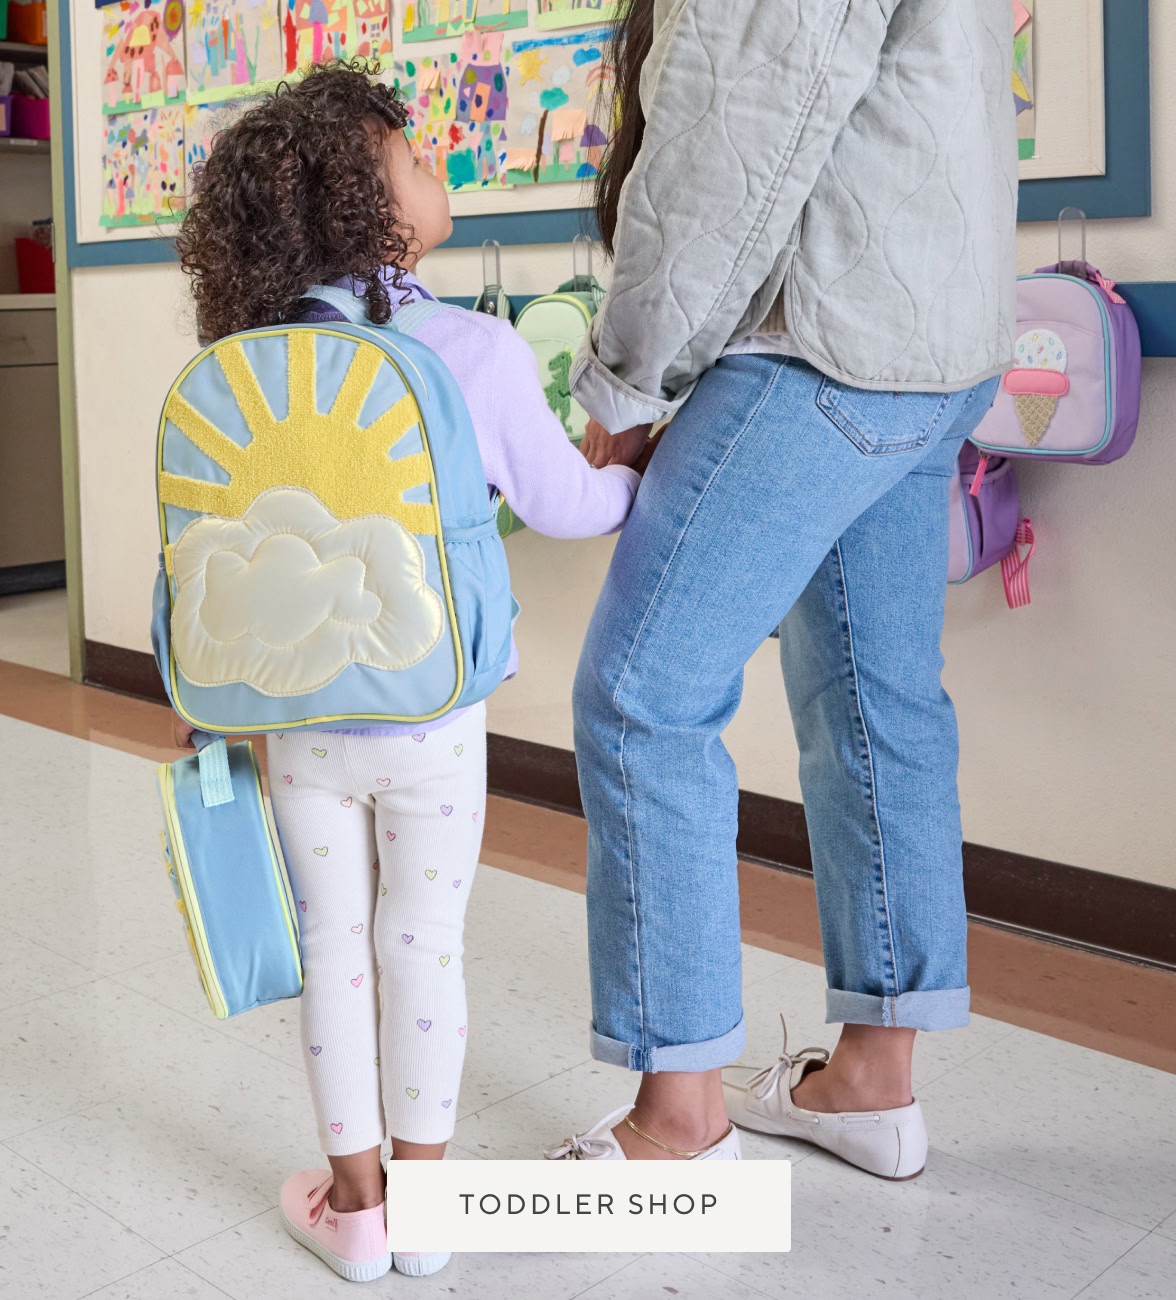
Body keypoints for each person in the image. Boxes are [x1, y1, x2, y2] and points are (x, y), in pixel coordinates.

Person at [174, 63, 639, 1281]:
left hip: (297, 716)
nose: (437, 164)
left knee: (333, 940)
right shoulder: (473, 348)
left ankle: (356, 1209)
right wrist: (635, 471)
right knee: (422, 942)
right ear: (365, 206)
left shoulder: (256, 353)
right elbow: (570, 505)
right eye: (414, 157)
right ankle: (427, 1215)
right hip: (432, 712)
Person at [547, 0, 1017, 1177]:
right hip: (934, 344)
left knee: (643, 700)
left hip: (817, 349)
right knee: (876, 698)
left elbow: (735, 126)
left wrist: (630, 384)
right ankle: (871, 1086)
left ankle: (678, 1128)